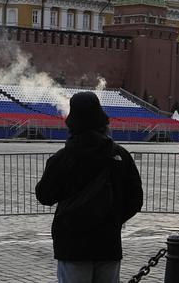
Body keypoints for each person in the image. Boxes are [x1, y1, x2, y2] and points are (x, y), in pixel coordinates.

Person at [35, 92, 143, 283]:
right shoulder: (120, 155)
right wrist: (113, 217)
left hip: (72, 242)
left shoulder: (63, 158)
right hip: (108, 242)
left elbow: (44, 195)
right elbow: (135, 199)